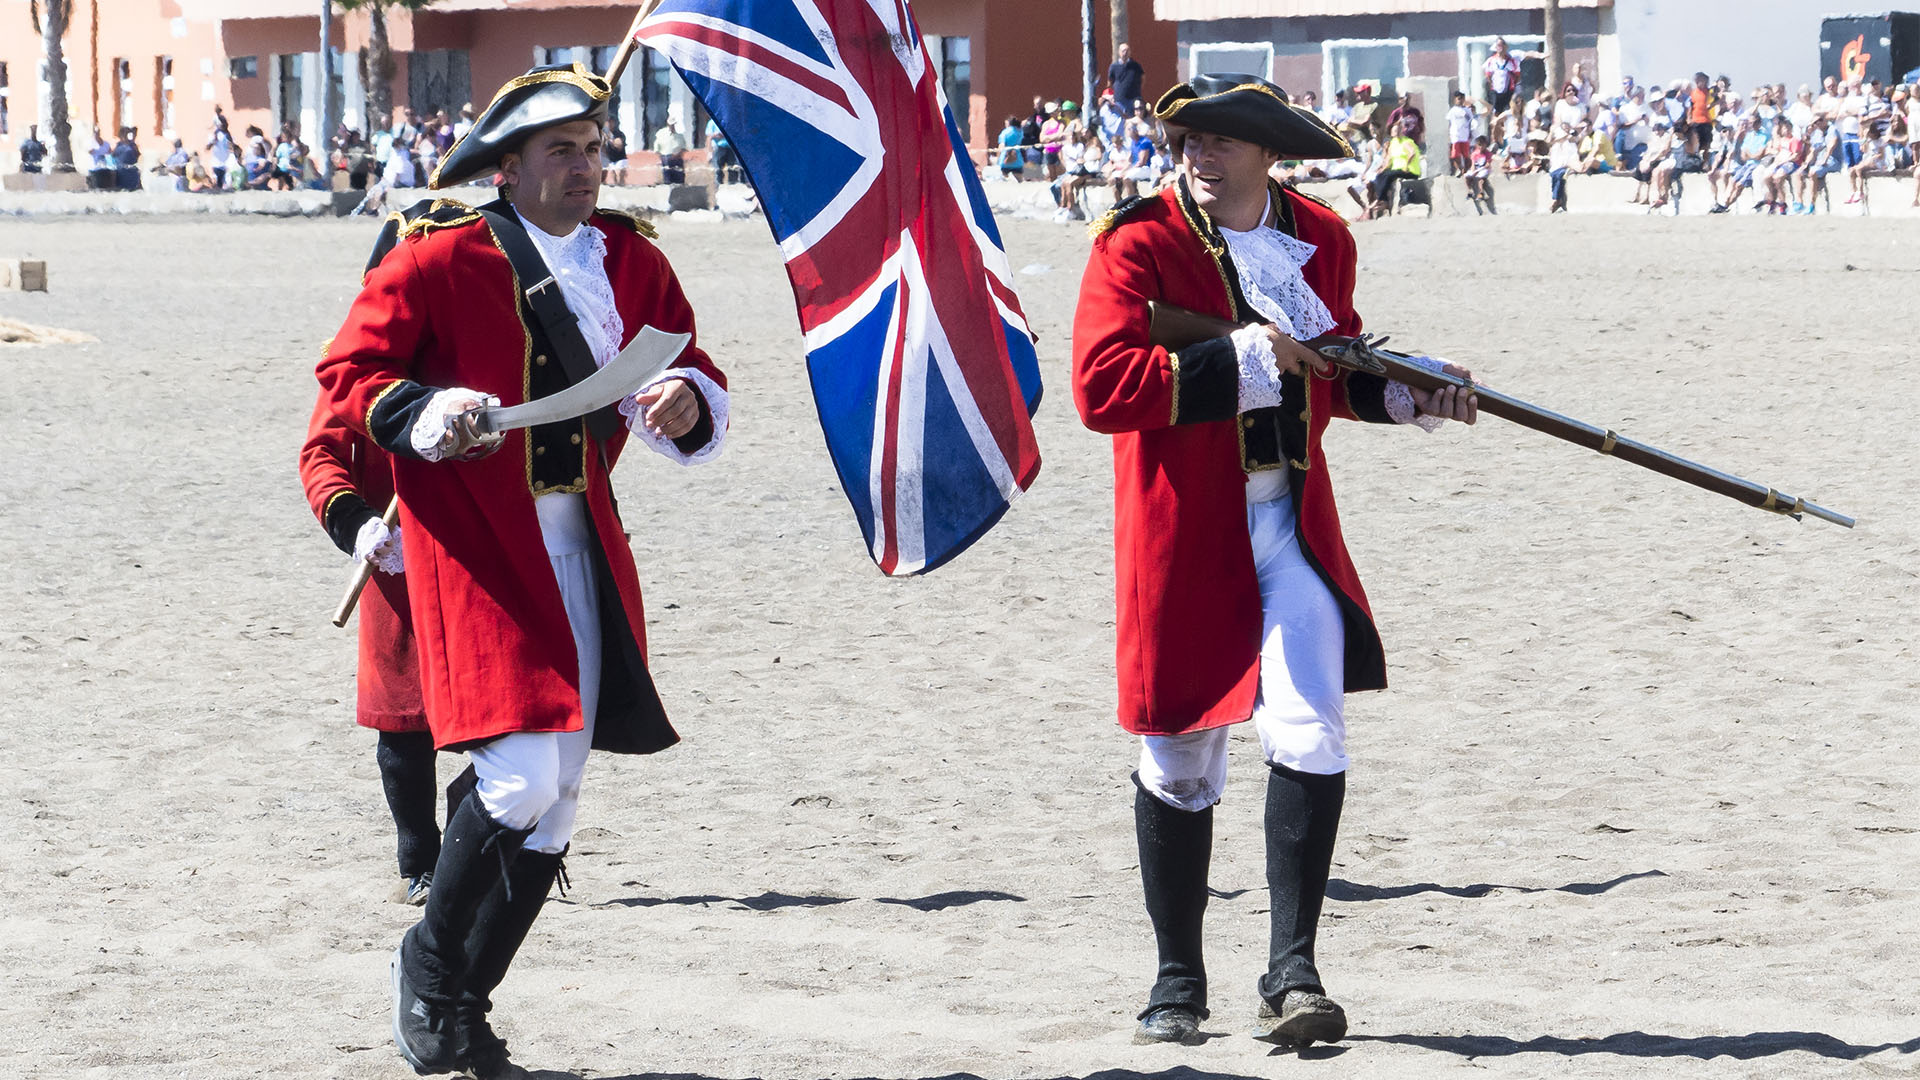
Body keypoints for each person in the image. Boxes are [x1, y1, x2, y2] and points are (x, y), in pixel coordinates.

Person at [315, 62, 731, 1079]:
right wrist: (420, 412)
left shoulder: (629, 259)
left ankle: (461, 1009)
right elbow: (349, 379)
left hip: (584, 545)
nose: (588, 168)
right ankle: (427, 967)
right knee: (519, 775)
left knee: (561, 798)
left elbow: (690, 364)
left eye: (594, 149)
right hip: (479, 547)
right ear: (509, 167)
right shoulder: (437, 258)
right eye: (563, 151)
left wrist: (684, 398)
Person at [1071, 70, 1476, 1050]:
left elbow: (1332, 374)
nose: (1197, 156)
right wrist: (1250, 358)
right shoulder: (1138, 241)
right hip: (1182, 531)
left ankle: (1292, 974)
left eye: (1219, 141)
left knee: (1312, 726)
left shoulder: (1322, 242)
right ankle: (1177, 981)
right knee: (1180, 753)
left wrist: (1409, 394)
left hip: (1292, 523)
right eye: (1189, 141)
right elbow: (1100, 388)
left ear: (1266, 153)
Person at [299, 377, 442, 908]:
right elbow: (322, 453)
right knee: (402, 719)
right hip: (396, 552)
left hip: (490, 547)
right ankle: (421, 861)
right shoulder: (359, 359)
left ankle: (495, 845)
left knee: (511, 711)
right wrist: (354, 521)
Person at [1368, 117, 1424, 217]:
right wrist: (1381, 169)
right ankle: (1383, 201)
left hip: (1409, 170)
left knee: (1388, 175)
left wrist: (1406, 165)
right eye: (1394, 130)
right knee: (1380, 176)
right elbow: (1388, 160)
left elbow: (1411, 153)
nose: (1396, 132)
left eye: (1398, 130)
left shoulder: (1406, 141)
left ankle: (1379, 200)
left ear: (1401, 131)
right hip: (1396, 170)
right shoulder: (1393, 143)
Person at [1483, 38, 1523, 113]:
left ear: (1505, 47)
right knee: (1495, 113)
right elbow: (1487, 76)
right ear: (1496, 47)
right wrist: (1491, 86)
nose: (1500, 47)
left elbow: (1517, 76)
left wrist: (1513, 87)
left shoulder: (1512, 61)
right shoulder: (1491, 61)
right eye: (1498, 45)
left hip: (1508, 92)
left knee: (1508, 112)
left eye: (1502, 45)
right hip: (1495, 92)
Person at [1445, 91, 1478, 174]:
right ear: (1455, 100)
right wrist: (1449, 134)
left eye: (1461, 99)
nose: (1459, 100)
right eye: (1458, 99)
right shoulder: (1453, 110)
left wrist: (1470, 132)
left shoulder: (1467, 110)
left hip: (1465, 135)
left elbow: (1471, 122)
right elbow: (1449, 122)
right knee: (1455, 155)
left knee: (1466, 155)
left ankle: (1466, 170)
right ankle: (1460, 168)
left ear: (1464, 99)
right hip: (1455, 135)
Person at [1108, 42, 1146, 110]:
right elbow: (1110, 81)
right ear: (1119, 52)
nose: (1125, 53)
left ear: (1130, 52)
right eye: (1123, 51)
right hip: (1119, 100)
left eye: (1127, 50)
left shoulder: (1135, 65)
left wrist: (1138, 88)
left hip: (1133, 99)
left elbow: (1143, 78)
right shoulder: (1114, 66)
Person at [1465, 134, 1496, 214]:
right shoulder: (1475, 154)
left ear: (1486, 144)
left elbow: (1487, 165)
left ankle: (1481, 193)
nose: (1481, 147)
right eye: (1479, 145)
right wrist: (1473, 171)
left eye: (1482, 145)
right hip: (1477, 169)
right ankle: (1470, 191)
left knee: (1480, 178)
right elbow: (1473, 165)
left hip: (1484, 169)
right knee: (1467, 176)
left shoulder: (1488, 154)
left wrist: (1479, 170)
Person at [652, 117, 688, 184]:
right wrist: (661, 157)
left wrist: (677, 155)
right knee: (668, 178)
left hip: (677, 158)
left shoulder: (679, 136)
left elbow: (684, 148)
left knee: (679, 178)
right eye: (671, 124)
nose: (672, 126)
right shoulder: (661, 134)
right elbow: (656, 148)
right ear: (668, 124)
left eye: (673, 124)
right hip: (666, 157)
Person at [996, 115, 1026, 180]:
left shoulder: (1005, 132)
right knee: (1020, 181)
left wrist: (997, 158)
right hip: (1018, 160)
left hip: (1005, 160)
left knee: (1005, 182)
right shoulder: (1020, 131)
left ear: (1008, 123)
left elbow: (1001, 146)